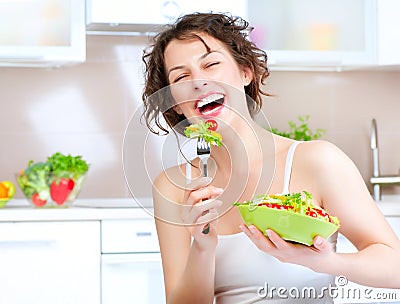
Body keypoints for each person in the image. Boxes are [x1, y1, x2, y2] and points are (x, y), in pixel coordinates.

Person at [141, 12, 400, 303]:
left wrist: (321, 261)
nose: (197, 81)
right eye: (181, 76)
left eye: (211, 64)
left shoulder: (317, 161)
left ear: (245, 72)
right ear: (175, 103)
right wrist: (202, 247)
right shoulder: (174, 187)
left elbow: (394, 267)